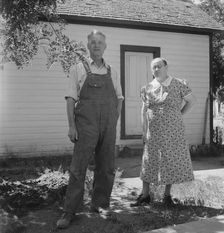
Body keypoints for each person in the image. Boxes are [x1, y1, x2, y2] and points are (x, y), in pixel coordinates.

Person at [56, 29, 123, 229]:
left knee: (106, 167)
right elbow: (71, 99)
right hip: (85, 125)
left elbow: (119, 98)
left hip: (108, 126)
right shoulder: (78, 68)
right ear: (88, 45)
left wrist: (114, 121)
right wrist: (71, 126)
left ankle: (100, 204)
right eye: (93, 42)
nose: (96, 45)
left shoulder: (113, 71)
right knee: (78, 168)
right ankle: (70, 211)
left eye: (100, 42)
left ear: (105, 46)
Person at [131, 57, 196, 207]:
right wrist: (144, 130)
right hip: (153, 131)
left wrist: (179, 114)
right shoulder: (147, 88)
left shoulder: (178, 84)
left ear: (166, 67)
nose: (156, 69)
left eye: (159, 66)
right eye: (153, 67)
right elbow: (144, 111)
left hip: (173, 131)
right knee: (149, 160)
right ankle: (145, 195)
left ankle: (167, 196)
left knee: (170, 160)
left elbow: (192, 101)